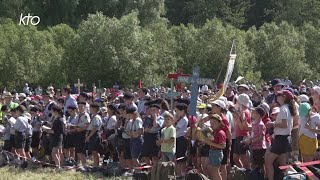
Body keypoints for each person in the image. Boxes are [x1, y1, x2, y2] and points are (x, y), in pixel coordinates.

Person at [265, 90, 296, 180]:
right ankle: (293, 177)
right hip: (284, 139)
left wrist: (272, 124)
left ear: (284, 97)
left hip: (281, 139)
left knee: (268, 161)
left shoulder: (283, 109)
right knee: (283, 165)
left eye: (279, 95)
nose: (277, 96)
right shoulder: (287, 108)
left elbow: (284, 124)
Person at [210, 99, 231, 180]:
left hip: (223, 142)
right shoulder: (214, 117)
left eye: (214, 106)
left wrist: (228, 145)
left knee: (223, 166)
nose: (212, 107)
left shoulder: (223, 119)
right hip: (218, 141)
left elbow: (228, 133)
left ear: (219, 108)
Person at [202, 114, 226, 180]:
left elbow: (223, 146)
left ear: (219, 123)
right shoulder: (213, 132)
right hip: (212, 152)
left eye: (214, 122)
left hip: (217, 153)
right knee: (211, 170)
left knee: (215, 171)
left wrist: (210, 143)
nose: (212, 124)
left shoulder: (221, 133)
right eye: (211, 122)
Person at [244, 107, 267, 172]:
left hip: (259, 148)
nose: (252, 113)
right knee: (254, 164)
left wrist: (251, 141)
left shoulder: (260, 125)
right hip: (254, 147)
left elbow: (261, 137)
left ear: (258, 115)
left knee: (259, 165)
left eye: (254, 112)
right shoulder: (254, 123)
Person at [232, 94, 252, 169]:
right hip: (239, 136)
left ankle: (246, 173)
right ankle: (243, 171)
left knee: (244, 158)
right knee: (235, 158)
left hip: (242, 136)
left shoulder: (244, 112)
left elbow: (243, 128)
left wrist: (237, 118)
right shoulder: (242, 111)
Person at [174, 103, 189, 177]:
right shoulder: (180, 119)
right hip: (177, 139)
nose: (176, 113)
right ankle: (179, 173)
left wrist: (174, 121)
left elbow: (175, 129)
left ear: (182, 111)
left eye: (177, 111)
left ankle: (182, 173)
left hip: (181, 139)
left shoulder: (184, 119)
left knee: (181, 158)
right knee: (178, 157)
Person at [74, 102, 91, 166]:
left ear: (85, 107)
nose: (80, 108)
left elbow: (87, 125)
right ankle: (79, 164)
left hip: (82, 133)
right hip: (77, 133)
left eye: (81, 106)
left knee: (80, 151)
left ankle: (84, 164)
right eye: (79, 106)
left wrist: (80, 129)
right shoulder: (78, 115)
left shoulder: (86, 115)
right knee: (78, 150)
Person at [86, 102, 102, 167]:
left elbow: (95, 128)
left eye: (91, 108)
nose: (90, 109)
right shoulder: (93, 116)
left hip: (94, 134)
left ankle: (96, 165)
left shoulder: (96, 117)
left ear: (94, 109)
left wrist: (89, 136)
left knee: (95, 151)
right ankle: (95, 164)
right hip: (91, 134)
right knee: (93, 151)